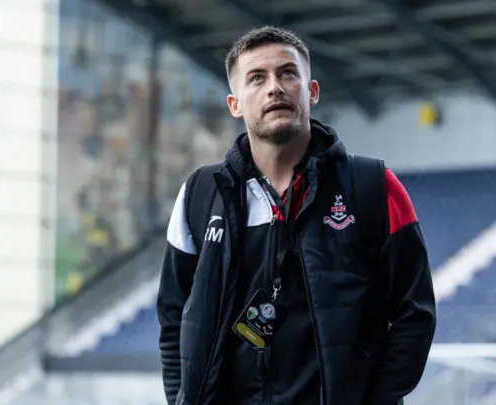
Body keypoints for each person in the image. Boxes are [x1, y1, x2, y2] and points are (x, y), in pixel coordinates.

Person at [157, 26, 437, 405]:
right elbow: (174, 317)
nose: (274, 87)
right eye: (256, 78)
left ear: (312, 91)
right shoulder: (200, 195)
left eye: (288, 73)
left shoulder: (373, 186)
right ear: (235, 104)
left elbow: (414, 315)